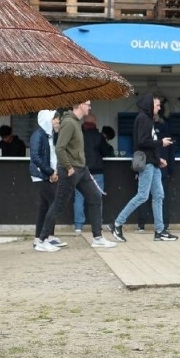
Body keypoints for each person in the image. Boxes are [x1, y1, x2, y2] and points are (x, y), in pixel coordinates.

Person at [42, 100, 112, 248]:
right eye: (88, 104)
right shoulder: (69, 123)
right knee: (59, 204)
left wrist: (82, 166)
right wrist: (68, 167)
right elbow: (60, 148)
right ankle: (42, 240)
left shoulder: (75, 122)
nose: (90, 107)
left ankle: (98, 238)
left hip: (81, 169)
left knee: (95, 197)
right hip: (70, 170)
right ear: (80, 105)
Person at [113, 92, 175, 241]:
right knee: (142, 196)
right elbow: (142, 142)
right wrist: (161, 143)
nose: (159, 108)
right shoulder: (144, 119)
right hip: (147, 164)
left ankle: (160, 231)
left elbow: (147, 144)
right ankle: (117, 224)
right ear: (150, 105)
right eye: (157, 105)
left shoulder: (147, 119)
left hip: (153, 163)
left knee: (158, 196)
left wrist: (158, 159)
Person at [137, 115, 180, 233]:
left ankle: (141, 224)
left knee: (143, 196)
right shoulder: (166, 130)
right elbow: (171, 151)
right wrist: (171, 168)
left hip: (148, 165)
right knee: (161, 197)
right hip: (162, 168)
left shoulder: (145, 131)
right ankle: (164, 224)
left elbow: (140, 150)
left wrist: (137, 170)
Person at [28, 110, 62, 252]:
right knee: (54, 203)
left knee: (45, 206)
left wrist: (54, 172)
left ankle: (44, 238)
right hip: (40, 175)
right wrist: (50, 172)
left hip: (47, 175)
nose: (57, 121)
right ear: (48, 120)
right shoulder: (38, 135)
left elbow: (53, 155)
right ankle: (43, 238)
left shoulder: (50, 135)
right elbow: (35, 157)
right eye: (55, 119)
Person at [72, 116, 110, 235]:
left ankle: (78, 226)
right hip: (96, 171)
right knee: (97, 199)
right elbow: (106, 152)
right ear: (94, 122)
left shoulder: (78, 135)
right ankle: (97, 225)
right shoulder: (98, 136)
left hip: (80, 170)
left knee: (79, 198)